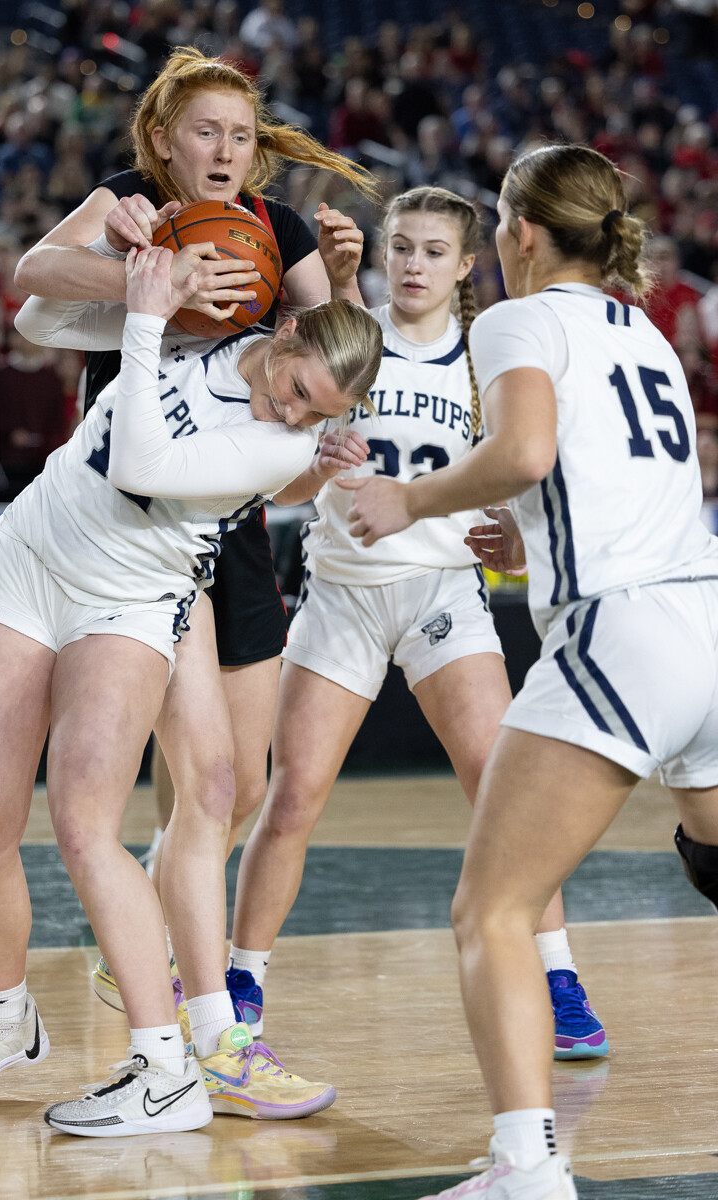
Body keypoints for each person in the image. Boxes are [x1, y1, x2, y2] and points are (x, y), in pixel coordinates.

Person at [0, 241, 384, 1137]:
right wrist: (129, 265)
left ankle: (164, 1068)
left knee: (85, 824)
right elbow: (38, 316)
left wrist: (144, 314)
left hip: (130, 597)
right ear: (285, 335)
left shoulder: (272, 444)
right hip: (27, 559)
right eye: (294, 388)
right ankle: (5, 1019)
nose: (292, 412)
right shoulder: (206, 323)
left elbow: (139, 463)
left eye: (316, 413)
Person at [341, 144, 718, 1200]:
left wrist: (410, 500)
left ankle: (526, 1166)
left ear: (516, 232)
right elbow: (625, 481)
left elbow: (525, 454)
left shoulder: (514, 319)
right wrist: (535, 541)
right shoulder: (645, 329)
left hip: (624, 635)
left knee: (493, 911)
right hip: (706, 618)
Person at [13, 45, 376, 994]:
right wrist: (150, 276)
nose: (224, 150)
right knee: (183, 770)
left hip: (223, 514)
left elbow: (338, 366)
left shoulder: (278, 227)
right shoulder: (132, 202)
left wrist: (345, 280)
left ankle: (148, 912)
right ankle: (156, 960)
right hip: (128, 520)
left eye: (241, 136)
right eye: (206, 132)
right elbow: (32, 279)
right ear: (164, 139)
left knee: (239, 784)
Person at [226, 185, 607, 1061]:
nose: (413, 265)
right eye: (401, 247)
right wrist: (318, 467)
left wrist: (518, 535)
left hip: (442, 591)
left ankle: (558, 976)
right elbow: (281, 483)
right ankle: (242, 982)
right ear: (382, 251)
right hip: (343, 592)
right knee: (293, 798)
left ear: (466, 265)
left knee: (500, 787)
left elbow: (530, 471)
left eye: (434, 252)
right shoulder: (350, 340)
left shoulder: (488, 359)